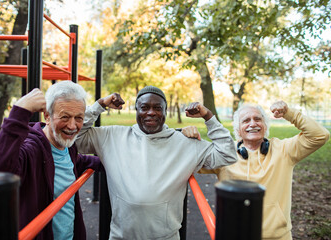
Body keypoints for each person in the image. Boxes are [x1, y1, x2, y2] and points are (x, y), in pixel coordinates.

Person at [76, 85, 238, 240]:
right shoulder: (111, 136)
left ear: (165, 111)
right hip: (121, 236)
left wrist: (208, 116)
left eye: (157, 108)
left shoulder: (186, 143)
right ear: (137, 110)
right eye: (144, 107)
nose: (151, 112)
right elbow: (76, 138)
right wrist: (100, 105)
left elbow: (227, 154)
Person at [0, 81, 122, 240]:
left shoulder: (67, 145)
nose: (72, 126)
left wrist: (115, 161)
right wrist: (20, 111)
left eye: (78, 117)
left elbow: (78, 162)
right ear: (47, 116)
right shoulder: (32, 149)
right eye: (65, 117)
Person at [199, 100, 330, 240]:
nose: (253, 124)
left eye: (257, 119)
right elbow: (192, 161)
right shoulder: (225, 154)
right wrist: (191, 139)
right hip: (235, 234)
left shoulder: (284, 150)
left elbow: (320, 136)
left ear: (265, 125)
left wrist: (289, 113)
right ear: (238, 129)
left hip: (278, 236)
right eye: (246, 121)